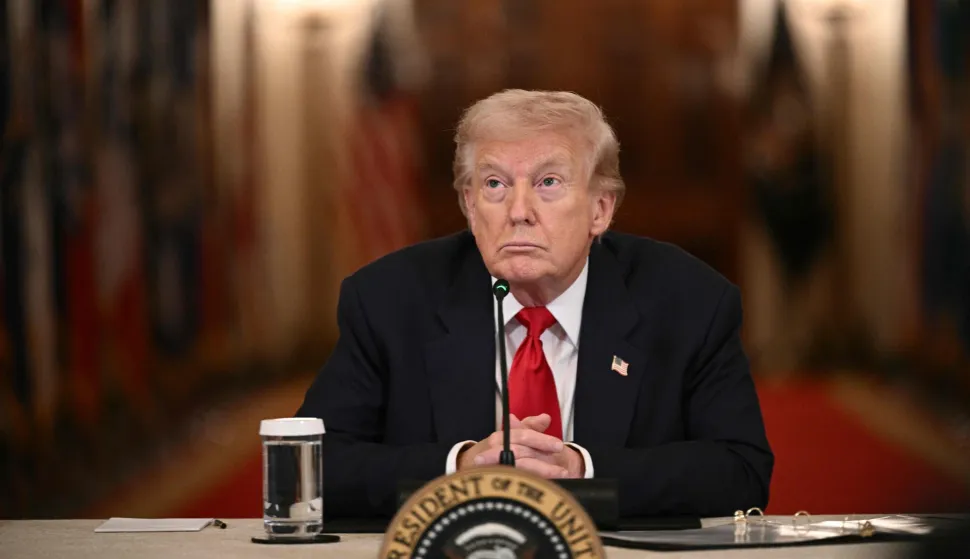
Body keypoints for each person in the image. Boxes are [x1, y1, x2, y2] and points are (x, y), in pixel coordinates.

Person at [298, 90, 773, 520]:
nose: (518, 210)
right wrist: (460, 466)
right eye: (494, 185)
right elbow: (310, 466)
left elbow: (740, 470)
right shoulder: (389, 300)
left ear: (600, 210)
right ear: (469, 205)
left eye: (548, 182)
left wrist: (581, 470)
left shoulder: (689, 302)